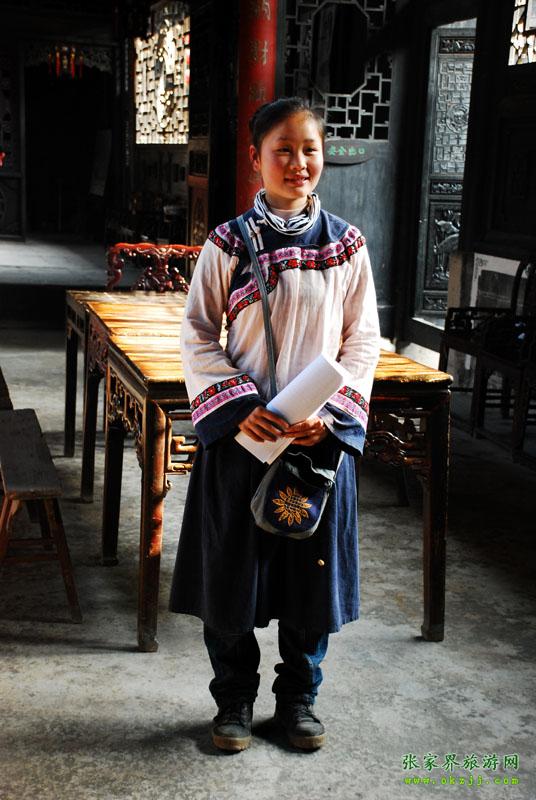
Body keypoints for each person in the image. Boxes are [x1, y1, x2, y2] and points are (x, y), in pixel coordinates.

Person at [169, 97, 381, 752]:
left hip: (316, 444)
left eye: (309, 149)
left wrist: (330, 417)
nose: (298, 163)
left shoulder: (345, 245)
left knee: (309, 577)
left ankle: (298, 701)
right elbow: (198, 333)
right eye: (282, 150)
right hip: (245, 439)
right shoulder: (229, 243)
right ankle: (233, 700)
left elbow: (362, 341)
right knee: (230, 575)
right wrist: (240, 407)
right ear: (255, 158)